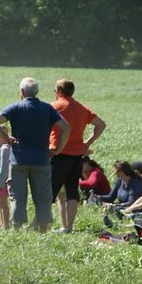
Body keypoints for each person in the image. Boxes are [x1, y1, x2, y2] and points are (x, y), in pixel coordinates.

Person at [0, 77, 71, 232]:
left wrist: (6, 139)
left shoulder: (16, 107)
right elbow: (66, 128)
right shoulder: (47, 108)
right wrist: (58, 149)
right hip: (41, 159)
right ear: (37, 92)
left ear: (22, 92)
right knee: (43, 198)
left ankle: (17, 229)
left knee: (18, 197)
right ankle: (43, 230)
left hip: (18, 159)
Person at [49, 79, 107, 233]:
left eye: (55, 91)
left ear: (59, 91)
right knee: (71, 191)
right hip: (77, 156)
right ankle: (68, 227)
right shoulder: (82, 108)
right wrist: (86, 144)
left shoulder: (55, 107)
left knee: (51, 191)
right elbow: (101, 125)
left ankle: (44, 225)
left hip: (58, 154)